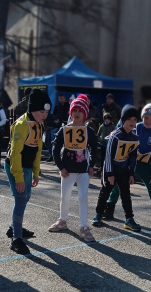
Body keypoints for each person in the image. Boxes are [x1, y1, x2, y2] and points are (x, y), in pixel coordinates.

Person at [104, 103, 151, 229]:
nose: (149, 121)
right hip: (129, 161)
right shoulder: (135, 127)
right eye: (146, 117)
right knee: (119, 185)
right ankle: (109, 208)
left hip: (144, 164)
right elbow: (120, 131)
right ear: (142, 117)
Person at [5, 88, 51, 254]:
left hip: (27, 167)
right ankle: (16, 238)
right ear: (32, 109)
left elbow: (38, 149)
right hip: (15, 166)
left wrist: (36, 172)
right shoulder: (21, 125)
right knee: (20, 200)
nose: (44, 115)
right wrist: (18, 177)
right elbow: (16, 153)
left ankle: (14, 227)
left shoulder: (39, 124)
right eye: (41, 112)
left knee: (25, 198)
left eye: (46, 112)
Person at [48, 94, 99, 242]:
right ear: (70, 112)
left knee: (83, 197)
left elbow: (94, 148)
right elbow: (55, 148)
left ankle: (83, 226)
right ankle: (62, 220)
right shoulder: (64, 129)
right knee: (65, 197)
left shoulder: (89, 130)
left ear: (85, 113)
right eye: (74, 110)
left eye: (80, 110)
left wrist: (91, 165)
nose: (77, 113)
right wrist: (60, 166)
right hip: (67, 170)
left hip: (83, 169)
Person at [92, 106, 140, 231]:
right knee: (105, 192)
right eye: (129, 119)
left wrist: (131, 173)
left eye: (135, 119)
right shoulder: (115, 135)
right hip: (111, 169)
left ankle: (129, 219)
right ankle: (98, 214)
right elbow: (108, 156)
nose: (132, 122)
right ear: (123, 120)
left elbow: (133, 157)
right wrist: (110, 173)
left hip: (123, 170)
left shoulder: (134, 138)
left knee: (126, 195)